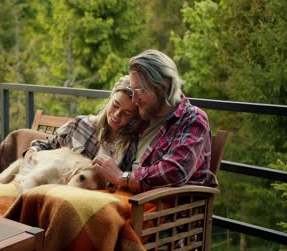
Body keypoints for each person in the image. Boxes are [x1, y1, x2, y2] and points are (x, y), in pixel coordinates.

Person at [93, 49, 218, 193]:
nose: (134, 99)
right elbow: (112, 117)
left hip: (162, 207)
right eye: (132, 90)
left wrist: (123, 177)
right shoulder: (144, 115)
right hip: (129, 197)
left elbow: (175, 171)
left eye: (139, 91)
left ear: (165, 86)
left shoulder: (192, 119)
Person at [0, 75, 140, 177]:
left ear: (134, 117)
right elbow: (48, 144)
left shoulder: (130, 146)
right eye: (115, 105)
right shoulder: (81, 125)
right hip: (58, 188)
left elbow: (126, 181)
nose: (117, 115)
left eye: (126, 113)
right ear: (110, 99)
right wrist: (32, 151)